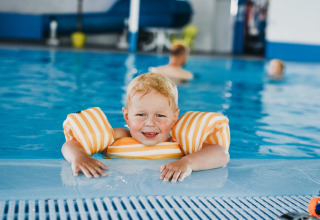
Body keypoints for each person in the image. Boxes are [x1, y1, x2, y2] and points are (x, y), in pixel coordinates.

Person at [61, 73, 230, 182]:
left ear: (174, 118)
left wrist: (187, 163)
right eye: (141, 115)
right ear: (127, 116)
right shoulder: (118, 137)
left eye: (160, 115)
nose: (150, 123)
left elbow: (221, 154)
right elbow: (71, 144)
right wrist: (80, 157)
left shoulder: (179, 143)